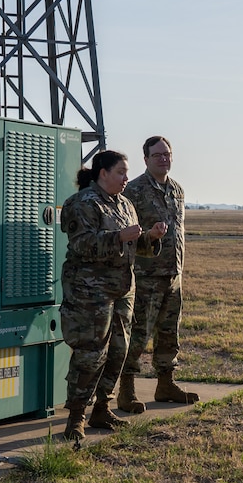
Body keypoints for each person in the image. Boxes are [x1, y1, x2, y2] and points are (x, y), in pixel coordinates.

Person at [58, 149, 165, 444]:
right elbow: (82, 244)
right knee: (91, 355)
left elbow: (132, 245)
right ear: (102, 173)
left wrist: (149, 238)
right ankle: (76, 416)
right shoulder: (83, 204)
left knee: (119, 351)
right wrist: (119, 237)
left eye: (126, 173)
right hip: (90, 293)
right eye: (120, 172)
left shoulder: (125, 204)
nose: (125, 178)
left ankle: (102, 407)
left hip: (121, 290)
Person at [120, 135, 198, 412]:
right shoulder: (135, 190)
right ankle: (126, 389)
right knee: (138, 334)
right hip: (145, 275)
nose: (164, 159)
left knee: (168, 333)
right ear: (146, 159)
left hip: (173, 274)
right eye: (158, 155)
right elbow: (127, 231)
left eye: (167, 154)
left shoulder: (177, 190)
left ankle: (166, 383)